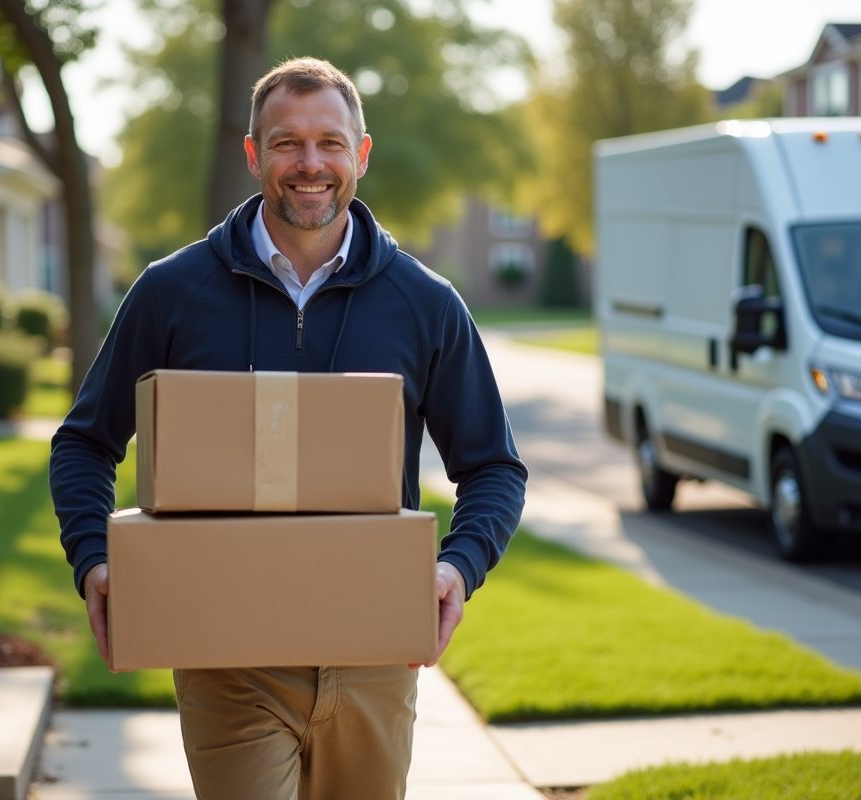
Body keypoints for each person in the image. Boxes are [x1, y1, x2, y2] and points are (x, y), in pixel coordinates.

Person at [49, 57, 527, 800]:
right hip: (226, 654)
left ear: (360, 154)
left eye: (331, 143)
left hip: (373, 658)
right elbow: (84, 441)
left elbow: (494, 467)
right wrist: (94, 558)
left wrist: (455, 569)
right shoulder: (173, 291)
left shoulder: (424, 302)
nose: (311, 165)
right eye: (287, 143)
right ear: (253, 154)